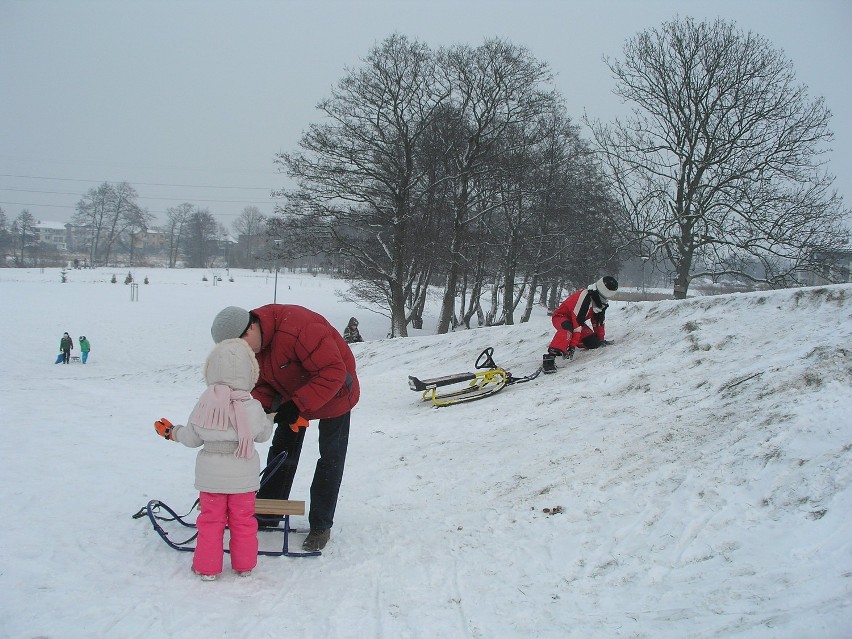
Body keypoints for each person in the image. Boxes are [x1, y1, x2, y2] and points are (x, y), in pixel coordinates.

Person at [210, 304, 360, 552]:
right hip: (292, 395)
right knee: (282, 451)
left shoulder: (300, 328)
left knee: (330, 459)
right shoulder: (250, 348)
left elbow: (332, 372)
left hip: (337, 392)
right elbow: (260, 383)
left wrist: (297, 405)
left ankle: (321, 525)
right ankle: (268, 514)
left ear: (249, 330)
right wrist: (264, 410)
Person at [153, 338, 273, 581]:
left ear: (211, 370)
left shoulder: (205, 403)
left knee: (210, 522)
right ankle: (244, 565)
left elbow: (192, 438)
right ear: (251, 372)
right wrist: (270, 418)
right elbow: (262, 435)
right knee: (243, 522)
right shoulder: (253, 406)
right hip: (244, 478)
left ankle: (207, 568)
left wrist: (171, 432)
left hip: (211, 479)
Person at [544, 276, 618, 372]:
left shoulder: (600, 302)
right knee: (567, 330)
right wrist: (572, 346)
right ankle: (550, 357)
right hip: (561, 317)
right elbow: (577, 324)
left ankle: (566, 342)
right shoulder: (585, 297)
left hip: (576, 322)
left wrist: (600, 339)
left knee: (593, 343)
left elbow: (598, 322)